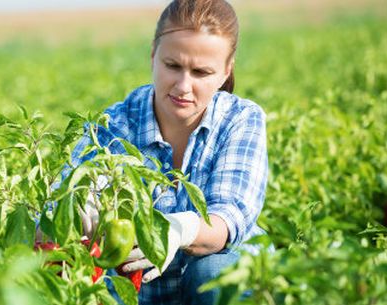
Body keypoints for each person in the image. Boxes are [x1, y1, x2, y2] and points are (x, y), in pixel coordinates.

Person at [71, 0, 269, 304]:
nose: (183, 86)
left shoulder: (240, 119)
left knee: (214, 271)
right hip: (143, 292)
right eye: (172, 66)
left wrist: (178, 229)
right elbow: (61, 200)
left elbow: (227, 220)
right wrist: (80, 202)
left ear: (225, 71)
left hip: (223, 280)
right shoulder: (117, 125)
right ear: (153, 55)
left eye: (201, 72)